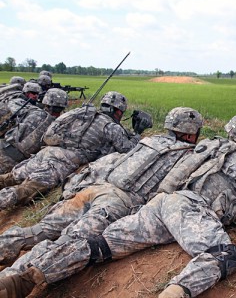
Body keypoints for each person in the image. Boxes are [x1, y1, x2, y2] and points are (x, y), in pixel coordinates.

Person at [0, 113, 236, 298]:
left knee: (99, 245)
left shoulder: (206, 146)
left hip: (160, 203)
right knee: (225, 255)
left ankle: (28, 277)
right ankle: (175, 292)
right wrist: (235, 212)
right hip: (189, 208)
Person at [0, 107, 202, 267]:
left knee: (40, 230)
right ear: (191, 134)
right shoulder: (187, 155)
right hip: (116, 203)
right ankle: (12, 279)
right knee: (66, 244)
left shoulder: (148, 141)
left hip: (95, 189)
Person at [0, 91, 143, 211]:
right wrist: (138, 133)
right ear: (118, 111)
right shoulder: (112, 127)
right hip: (60, 162)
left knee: (10, 177)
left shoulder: (85, 115)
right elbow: (128, 149)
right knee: (24, 191)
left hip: (47, 151)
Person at [0, 87, 68, 174]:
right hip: (18, 163)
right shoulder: (59, 126)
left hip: (5, 150)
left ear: (45, 101)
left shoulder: (32, 111)